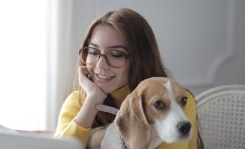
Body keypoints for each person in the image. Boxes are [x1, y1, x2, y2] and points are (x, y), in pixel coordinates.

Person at [54, 8, 203, 149]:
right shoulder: (78, 102)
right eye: (93, 52)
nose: (101, 65)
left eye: (116, 54)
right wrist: (92, 101)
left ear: (141, 58)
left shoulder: (180, 100)